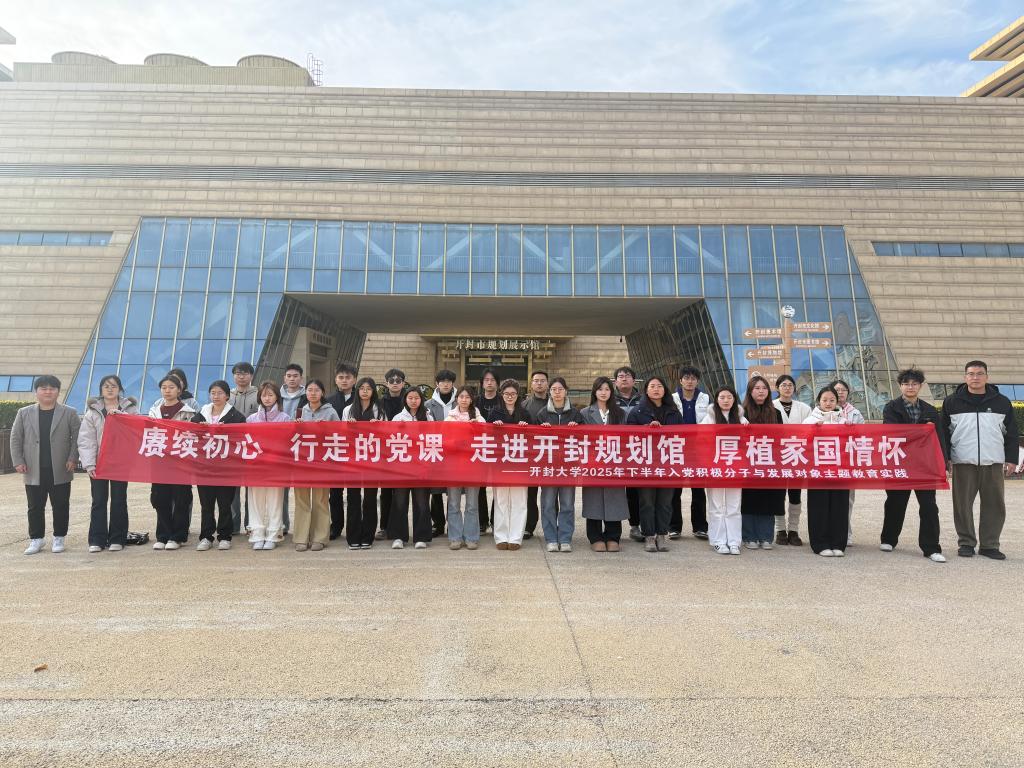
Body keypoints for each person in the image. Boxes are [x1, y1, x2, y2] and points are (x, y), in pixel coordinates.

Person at [940, 360, 1018, 560]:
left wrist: (1011, 459)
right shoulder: (951, 402)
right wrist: (945, 458)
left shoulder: (1002, 402)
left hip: (993, 461)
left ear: (987, 377)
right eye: (971, 374)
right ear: (965, 377)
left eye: (979, 374)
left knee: (994, 504)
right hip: (962, 461)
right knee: (962, 505)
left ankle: (990, 545)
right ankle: (966, 543)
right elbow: (944, 434)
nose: (975, 378)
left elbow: (1011, 432)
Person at [880, 368, 946, 563]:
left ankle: (931, 547)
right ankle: (889, 539)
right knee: (895, 503)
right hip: (898, 462)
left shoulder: (930, 410)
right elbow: (893, 432)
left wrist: (942, 461)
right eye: (906, 384)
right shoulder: (891, 407)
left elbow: (939, 437)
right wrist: (921, 430)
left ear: (920, 386)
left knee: (929, 506)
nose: (910, 387)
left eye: (914, 384)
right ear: (900, 386)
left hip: (925, 465)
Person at [11, 375, 81, 555]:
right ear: (36, 392)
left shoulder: (69, 412)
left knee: (61, 505)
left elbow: (77, 438)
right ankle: (36, 539)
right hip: (33, 468)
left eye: (52, 388)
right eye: (43, 388)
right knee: (34, 506)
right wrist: (18, 461)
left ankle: (59, 537)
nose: (48, 392)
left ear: (58, 391)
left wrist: (73, 458)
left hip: (61, 467)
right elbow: (16, 438)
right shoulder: (24, 413)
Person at [78, 374, 137, 553]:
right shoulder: (92, 412)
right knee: (98, 501)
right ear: (101, 390)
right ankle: (97, 539)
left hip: (120, 463)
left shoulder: (130, 409)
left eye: (114, 386)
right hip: (99, 463)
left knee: (119, 500)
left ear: (120, 389)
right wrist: (89, 464)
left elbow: (135, 432)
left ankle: (117, 538)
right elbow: (86, 440)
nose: (110, 389)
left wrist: (122, 416)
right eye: (106, 386)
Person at [626, 376, 683, 552]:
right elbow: (629, 437)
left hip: (668, 464)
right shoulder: (637, 412)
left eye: (659, 386)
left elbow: (683, 436)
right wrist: (646, 429)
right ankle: (649, 535)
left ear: (665, 389)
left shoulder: (674, 411)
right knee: (647, 501)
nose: (656, 389)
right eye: (652, 386)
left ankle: (661, 534)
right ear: (646, 390)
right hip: (646, 464)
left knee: (665, 502)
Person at [191, 380, 247, 551]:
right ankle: (206, 536)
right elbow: (190, 435)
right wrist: (200, 429)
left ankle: (225, 536)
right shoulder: (200, 415)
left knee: (225, 504)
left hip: (226, 468)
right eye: (213, 393)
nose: (216, 396)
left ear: (227, 396)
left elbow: (242, 438)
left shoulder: (236, 416)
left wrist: (227, 430)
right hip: (205, 467)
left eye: (220, 393)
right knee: (206, 504)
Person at [147, 375, 198, 550]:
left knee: (181, 498)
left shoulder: (188, 413)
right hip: (159, 461)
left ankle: (178, 536)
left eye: (171, 387)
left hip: (180, 462)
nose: (167, 391)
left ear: (179, 390)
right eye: (164, 387)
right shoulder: (154, 411)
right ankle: (163, 535)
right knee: (160, 497)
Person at [579, 376, 628, 552]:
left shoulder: (620, 413)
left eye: (607, 389)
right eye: (600, 389)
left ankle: (613, 536)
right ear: (595, 391)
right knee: (594, 499)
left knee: (614, 499)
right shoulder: (585, 413)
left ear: (611, 392)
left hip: (614, 462)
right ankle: (595, 537)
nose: (603, 392)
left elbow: (627, 438)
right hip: (593, 463)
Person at [536, 376, 583, 553]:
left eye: (560, 389)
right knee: (548, 503)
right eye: (554, 389)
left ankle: (565, 538)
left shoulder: (575, 414)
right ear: (549, 392)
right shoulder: (542, 414)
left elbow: (585, 439)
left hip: (568, 466)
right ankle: (550, 538)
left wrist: (577, 429)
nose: (557, 392)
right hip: (548, 466)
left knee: (567, 503)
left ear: (566, 391)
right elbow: (533, 440)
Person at [803, 386, 851, 557]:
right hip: (818, 470)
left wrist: (851, 430)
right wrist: (813, 430)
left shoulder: (844, 421)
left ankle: (838, 543)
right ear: (818, 401)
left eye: (832, 400)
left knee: (840, 506)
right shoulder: (810, 420)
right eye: (825, 400)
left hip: (840, 469)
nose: (828, 403)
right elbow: (800, 442)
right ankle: (820, 543)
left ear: (837, 401)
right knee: (819, 506)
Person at [488, 379, 534, 550]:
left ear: (518, 395)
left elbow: (533, 439)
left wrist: (526, 428)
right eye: (506, 393)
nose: (509, 396)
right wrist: (494, 427)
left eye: (513, 394)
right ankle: (501, 537)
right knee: (501, 501)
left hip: (519, 463)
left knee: (519, 501)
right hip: (500, 463)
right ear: (501, 394)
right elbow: (486, 436)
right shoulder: (494, 413)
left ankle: (515, 538)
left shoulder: (525, 414)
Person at [292, 379, 338, 552]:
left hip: (322, 462)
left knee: (320, 500)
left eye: (316, 390)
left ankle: (320, 537)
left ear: (322, 393)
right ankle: (301, 538)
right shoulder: (299, 412)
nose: (312, 393)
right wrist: (296, 427)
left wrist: (325, 428)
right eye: (310, 390)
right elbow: (290, 436)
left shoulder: (331, 412)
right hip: (302, 462)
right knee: (301, 500)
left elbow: (339, 435)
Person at [702, 385, 748, 555]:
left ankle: (734, 541)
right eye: (722, 397)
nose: (726, 400)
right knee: (716, 505)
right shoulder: (709, 418)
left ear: (734, 399)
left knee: (734, 506)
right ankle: (718, 541)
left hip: (735, 468)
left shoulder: (742, 419)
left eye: (729, 397)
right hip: (715, 467)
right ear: (716, 400)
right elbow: (701, 441)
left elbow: (748, 443)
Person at [740, 377, 784, 550]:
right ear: (750, 391)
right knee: (749, 498)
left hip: (769, 461)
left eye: (764, 388)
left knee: (768, 498)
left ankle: (766, 536)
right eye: (756, 388)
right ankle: (749, 536)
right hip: (748, 461)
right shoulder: (742, 412)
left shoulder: (776, 413)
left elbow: (781, 438)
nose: (761, 391)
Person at [246, 381, 291, 550]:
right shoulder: (251, 419)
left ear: (277, 397)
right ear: (259, 397)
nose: (267, 398)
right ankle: (257, 535)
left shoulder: (284, 418)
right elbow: (247, 442)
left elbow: (287, 442)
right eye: (264, 395)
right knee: (255, 502)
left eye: (270, 395)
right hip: (256, 466)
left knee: (275, 501)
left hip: (276, 467)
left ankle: (273, 535)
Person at [389, 387, 433, 550]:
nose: (413, 401)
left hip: (421, 466)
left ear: (421, 400)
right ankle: (399, 536)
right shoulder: (398, 418)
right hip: (402, 467)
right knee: (400, 502)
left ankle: (421, 537)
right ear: (405, 400)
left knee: (421, 502)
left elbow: (433, 439)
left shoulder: (428, 417)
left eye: (416, 398)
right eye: (410, 398)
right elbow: (390, 440)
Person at [670, 365, 710, 541]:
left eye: (693, 378)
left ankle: (700, 527)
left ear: (697, 381)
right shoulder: (671, 399)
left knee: (699, 490)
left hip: (698, 449)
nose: (689, 381)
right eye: (686, 378)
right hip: (676, 448)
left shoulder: (705, 398)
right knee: (675, 490)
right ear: (680, 380)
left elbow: (713, 419)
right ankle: (674, 527)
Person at [772, 374, 812, 546]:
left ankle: (794, 530)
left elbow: (811, 430)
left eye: (790, 385)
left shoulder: (804, 408)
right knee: (779, 494)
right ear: (777, 388)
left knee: (795, 494)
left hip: (797, 456)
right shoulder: (771, 406)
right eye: (784, 385)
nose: (787, 388)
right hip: (777, 457)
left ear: (794, 388)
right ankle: (780, 530)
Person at [343, 377, 382, 550]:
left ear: (373, 391)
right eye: (362, 388)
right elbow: (340, 435)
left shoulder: (379, 410)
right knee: (353, 497)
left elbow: (387, 436)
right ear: (357, 390)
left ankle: (368, 536)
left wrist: (378, 426)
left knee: (370, 498)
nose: (365, 391)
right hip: (353, 459)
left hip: (372, 460)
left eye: (368, 388)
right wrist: (348, 426)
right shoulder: (348, 410)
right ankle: (353, 536)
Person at [446, 385, 486, 550]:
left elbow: (486, 437)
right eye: (461, 396)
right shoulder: (449, 418)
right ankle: (455, 537)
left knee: (472, 504)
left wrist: (477, 427)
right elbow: (444, 441)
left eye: (467, 397)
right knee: (453, 503)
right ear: (457, 399)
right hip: (454, 467)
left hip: (473, 467)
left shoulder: (478, 417)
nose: (464, 400)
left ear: (471, 399)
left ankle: (471, 537)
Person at [831, 379, 864, 546]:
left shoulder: (856, 413)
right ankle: (829, 532)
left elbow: (864, 436)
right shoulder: (823, 411)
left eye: (843, 389)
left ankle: (846, 533)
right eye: (837, 389)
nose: (840, 392)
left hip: (848, 461)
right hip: (828, 460)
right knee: (829, 498)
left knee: (848, 499)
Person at [326, 363, 358, 540]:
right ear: (335, 379)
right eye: (341, 377)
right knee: (335, 493)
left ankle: (354, 527)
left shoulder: (360, 399)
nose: (344, 381)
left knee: (354, 493)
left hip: (355, 451)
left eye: (348, 377)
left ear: (354, 380)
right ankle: (336, 526)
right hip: (334, 450)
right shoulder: (328, 400)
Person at [425, 369, 457, 536]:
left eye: (449, 381)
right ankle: (438, 524)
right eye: (442, 381)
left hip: (455, 453)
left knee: (453, 491)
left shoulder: (459, 402)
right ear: (437, 383)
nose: (446, 384)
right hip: (435, 451)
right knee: (435, 491)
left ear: (452, 384)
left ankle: (453, 524)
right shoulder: (428, 405)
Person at [613, 366, 644, 543]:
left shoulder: (643, 399)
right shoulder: (609, 398)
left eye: (628, 376)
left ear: (634, 380)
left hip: (637, 450)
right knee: (615, 490)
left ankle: (635, 525)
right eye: (620, 376)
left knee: (635, 490)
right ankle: (613, 526)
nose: (624, 379)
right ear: (615, 381)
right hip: (615, 450)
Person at [228, 362, 259, 536]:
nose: (241, 376)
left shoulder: (258, 394)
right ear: (233, 376)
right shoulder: (227, 395)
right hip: (232, 448)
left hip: (251, 447)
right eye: (238, 373)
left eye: (245, 373)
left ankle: (250, 525)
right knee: (232, 490)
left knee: (251, 489)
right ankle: (233, 525)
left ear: (251, 376)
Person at [377, 368, 408, 539]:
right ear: (386, 383)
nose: (395, 383)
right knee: (386, 492)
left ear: (403, 383)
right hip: (386, 451)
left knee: (402, 493)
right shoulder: (380, 402)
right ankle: (385, 526)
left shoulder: (409, 399)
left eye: (398, 381)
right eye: (392, 381)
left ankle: (400, 527)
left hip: (406, 450)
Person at [279, 362, 307, 535]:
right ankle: (283, 524)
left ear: (301, 378)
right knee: (281, 489)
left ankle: (302, 529)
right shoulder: (276, 396)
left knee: (302, 490)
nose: (292, 379)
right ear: (284, 378)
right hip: (281, 447)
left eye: (295, 376)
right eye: (289, 376)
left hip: (301, 447)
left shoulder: (308, 395)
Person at [522, 370, 550, 540]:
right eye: (536, 380)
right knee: (530, 494)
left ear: (547, 383)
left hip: (551, 455)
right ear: (531, 384)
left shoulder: (556, 402)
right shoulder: (524, 405)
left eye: (542, 380)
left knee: (550, 495)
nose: (539, 383)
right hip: (530, 455)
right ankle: (528, 526)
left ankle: (551, 527)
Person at [474, 368, 500, 531]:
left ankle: (496, 519)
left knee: (498, 485)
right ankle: (482, 521)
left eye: (492, 380)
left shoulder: (502, 400)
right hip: (479, 447)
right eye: (486, 380)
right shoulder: (475, 401)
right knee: (479, 486)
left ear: (497, 383)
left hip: (499, 449)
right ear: (482, 383)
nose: (489, 383)